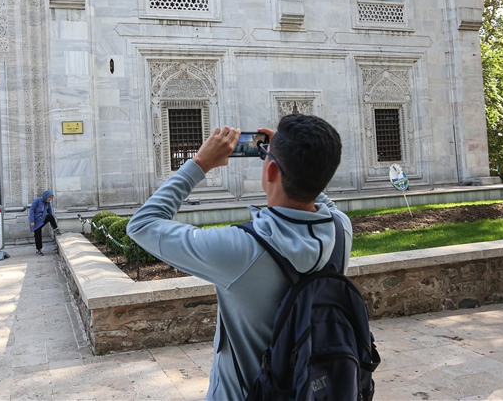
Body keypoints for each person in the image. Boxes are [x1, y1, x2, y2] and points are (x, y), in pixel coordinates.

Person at [127, 114, 352, 400]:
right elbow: (319, 196)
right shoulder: (341, 230)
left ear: (269, 172)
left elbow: (142, 224)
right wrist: (295, 159)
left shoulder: (239, 249)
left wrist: (199, 164)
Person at [28, 191, 62, 256]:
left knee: (50, 216)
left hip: (42, 219)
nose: (50, 199)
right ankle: (38, 250)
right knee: (38, 234)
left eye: (51, 198)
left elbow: (50, 212)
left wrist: (52, 224)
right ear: (45, 196)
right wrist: (31, 221)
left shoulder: (47, 203)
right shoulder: (37, 200)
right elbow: (32, 210)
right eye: (49, 197)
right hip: (35, 220)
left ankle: (55, 229)